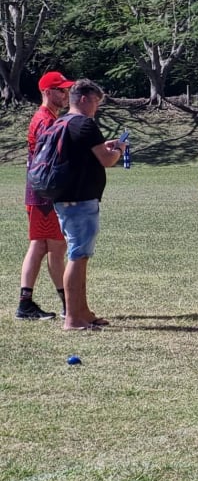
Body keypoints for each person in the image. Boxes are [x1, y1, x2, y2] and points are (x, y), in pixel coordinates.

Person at [52, 79, 126, 330]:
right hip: (79, 199)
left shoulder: (62, 121)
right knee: (78, 256)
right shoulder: (85, 124)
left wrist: (105, 148)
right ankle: (73, 318)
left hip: (66, 197)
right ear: (83, 98)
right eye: (96, 101)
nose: (97, 107)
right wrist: (118, 150)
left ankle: (83, 311)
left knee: (79, 255)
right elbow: (106, 160)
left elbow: (83, 154)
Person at [17, 71, 73, 320]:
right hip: (45, 195)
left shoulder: (46, 117)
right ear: (48, 92)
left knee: (42, 246)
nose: (66, 94)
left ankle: (27, 303)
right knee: (54, 247)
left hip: (38, 192)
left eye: (66, 89)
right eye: (61, 90)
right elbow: (52, 159)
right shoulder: (45, 120)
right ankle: (66, 304)